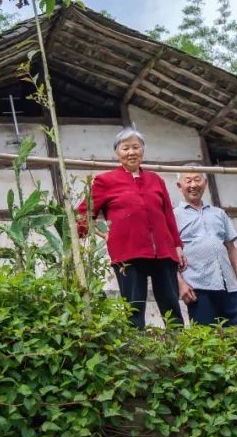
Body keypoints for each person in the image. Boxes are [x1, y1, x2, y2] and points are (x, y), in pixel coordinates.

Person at [77, 128, 186, 329]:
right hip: (127, 252)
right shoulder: (105, 181)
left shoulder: (156, 180)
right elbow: (83, 213)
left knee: (171, 304)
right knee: (134, 307)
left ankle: (178, 346)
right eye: (125, 148)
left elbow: (168, 216)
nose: (131, 152)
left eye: (136, 147)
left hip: (163, 251)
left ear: (143, 151)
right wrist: (100, 232)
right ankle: (137, 350)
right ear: (117, 153)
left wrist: (177, 246)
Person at [175, 171, 237, 326]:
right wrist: (180, 283)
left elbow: (231, 248)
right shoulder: (173, 216)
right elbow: (168, 254)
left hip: (229, 284)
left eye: (197, 180)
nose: (193, 185)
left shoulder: (218, 213)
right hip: (197, 286)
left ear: (205, 183)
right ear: (179, 186)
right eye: (188, 180)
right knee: (205, 337)